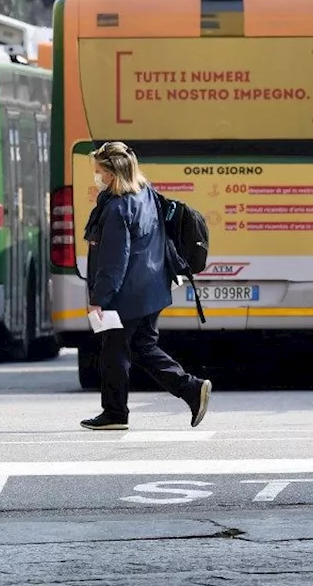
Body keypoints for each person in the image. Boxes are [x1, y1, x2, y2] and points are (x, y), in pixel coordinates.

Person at [81, 141, 212, 431]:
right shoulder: (146, 194)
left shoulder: (117, 207)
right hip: (151, 287)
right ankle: (191, 389)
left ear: (112, 173)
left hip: (127, 293)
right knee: (142, 347)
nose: (97, 177)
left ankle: (115, 414)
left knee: (113, 352)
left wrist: (99, 298)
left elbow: (115, 260)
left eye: (99, 171)